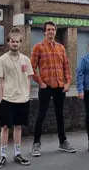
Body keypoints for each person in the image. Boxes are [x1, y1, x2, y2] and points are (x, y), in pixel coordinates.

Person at [30, 21, 76, 157]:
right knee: (41, 115)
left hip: (59, 87)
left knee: (60, 115)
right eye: (48, 30)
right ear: (44, 32)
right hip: (46, 87)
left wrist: (68, 83)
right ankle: (36, 144)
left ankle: (63, 142)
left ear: (55, 32)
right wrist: (41, 83)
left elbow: (66, 67)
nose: (51, 32)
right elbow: (31, 68)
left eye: (53, 29)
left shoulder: (61, 48)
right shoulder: (38, 47)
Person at [0, 27, 34, 168]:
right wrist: (0, 100)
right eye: (12, 41)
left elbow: (29, 78)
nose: (15, 44)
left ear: (20, 43)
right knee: (5, 127)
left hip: (23, 99)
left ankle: (17, 154)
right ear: (8, 42)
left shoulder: (26, 60)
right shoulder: (1, 60)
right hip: (7, 99)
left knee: (18, 127)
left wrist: (27, 94)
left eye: (17, 42)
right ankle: (2, 156)